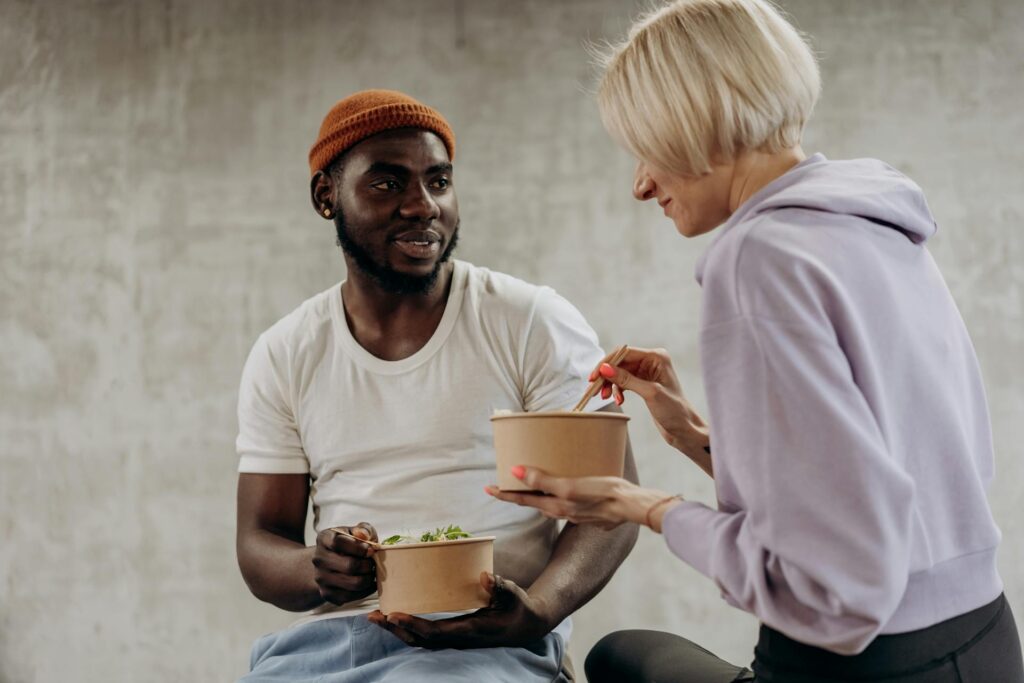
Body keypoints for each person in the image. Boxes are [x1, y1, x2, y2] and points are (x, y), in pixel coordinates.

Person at [488, 1, 1024, 681]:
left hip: (866, 666)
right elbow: (860, 485)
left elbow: (833, 591)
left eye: (647, 149)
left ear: (698, 126)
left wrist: (644, 506)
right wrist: (690, 434)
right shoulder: (871, 219)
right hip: (986, 641)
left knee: (618, 657)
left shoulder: (757, 258)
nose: (640, 183)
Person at [234, 89, 639, 682]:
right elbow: (260, 542)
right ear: (327, 196)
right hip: (330, 643)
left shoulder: (527, 320)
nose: (422, 206)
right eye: (387, 184)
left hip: (488, 642)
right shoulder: (286, 351)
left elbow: (614, 504)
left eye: (438, 181)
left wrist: (539, 612)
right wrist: (316, 569)